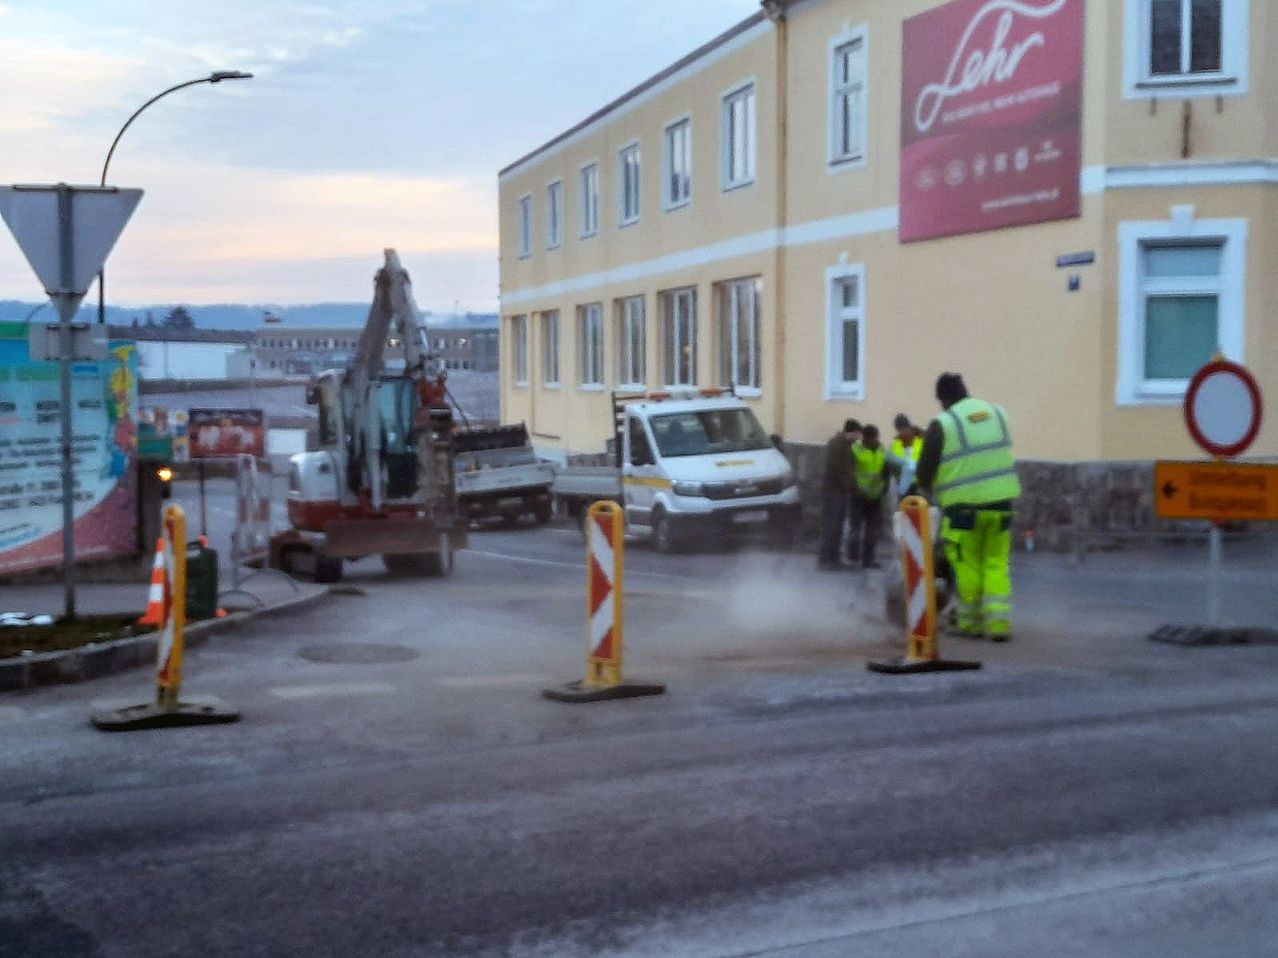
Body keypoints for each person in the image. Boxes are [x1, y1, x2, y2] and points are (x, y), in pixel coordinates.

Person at [914, 373, 1021, 641]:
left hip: (964, 511)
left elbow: (925, 469)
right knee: (996, 563)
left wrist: (919, 490)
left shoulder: (944, 423)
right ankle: (999, 625)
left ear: (942, 399)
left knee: (967, 564)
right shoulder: (997, 413)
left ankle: (970, 624)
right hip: (1002, 506)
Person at [817, 419, 861, 570]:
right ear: (852, 432)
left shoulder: (845, 445)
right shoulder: (837, 444)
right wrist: (848, 485)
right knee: (832, 525)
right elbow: (835, 468)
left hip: (839, 491)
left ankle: (832, 557)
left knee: (836, 525)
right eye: (857, 435)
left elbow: (849, 467)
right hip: (834, 491)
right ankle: (826, 558)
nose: (858, 438)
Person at [849, 424, 889, 570]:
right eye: (874, 438)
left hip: (875, 496)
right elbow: (850, 471)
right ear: (867, 438)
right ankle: (852, 555)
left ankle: (868, 558)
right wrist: (854, 489)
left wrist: (885, 486)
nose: (876, 440)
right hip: (858, 495)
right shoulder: (855, 450)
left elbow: (886, 469)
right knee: (855, 527)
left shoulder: (881, 449)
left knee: (872, 529)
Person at [890, 413, 923, 497]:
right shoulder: (896, 444)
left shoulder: (921, 440)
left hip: (920, 485)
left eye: (904, 429)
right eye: (900, 430)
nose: (902, 432)